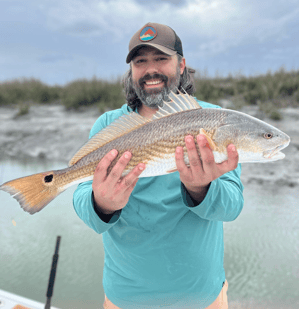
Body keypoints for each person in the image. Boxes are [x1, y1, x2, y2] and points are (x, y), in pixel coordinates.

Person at [73, 22, 244, 309]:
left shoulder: (214, 119)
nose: (151, 69)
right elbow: (84, 205)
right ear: (132, 71)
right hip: (125, 299)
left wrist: (200, 190)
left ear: (181, 65)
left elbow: (232, 206)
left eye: (161, 58)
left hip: (202, 299)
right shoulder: (107, 125)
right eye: (141, 62)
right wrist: (100, 204)